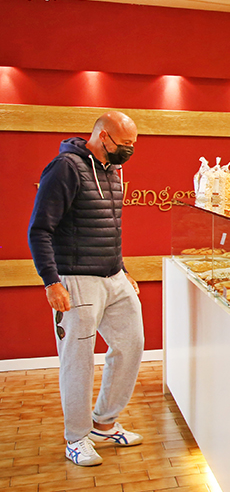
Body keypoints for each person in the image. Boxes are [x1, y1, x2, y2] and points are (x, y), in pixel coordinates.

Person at [28, 111, 145, 466]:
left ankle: (104, 423)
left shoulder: (112, 171)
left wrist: (123, 268)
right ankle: (76, 438)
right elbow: (39, 229)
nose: (130, 150)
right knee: (77, 360)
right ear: (103, 137)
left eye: (133, 144)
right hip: (76, 279)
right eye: (125, 144)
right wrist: (52, 282)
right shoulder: (65, 168)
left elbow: (108, 227)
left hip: (114, 277)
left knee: (131, 344)